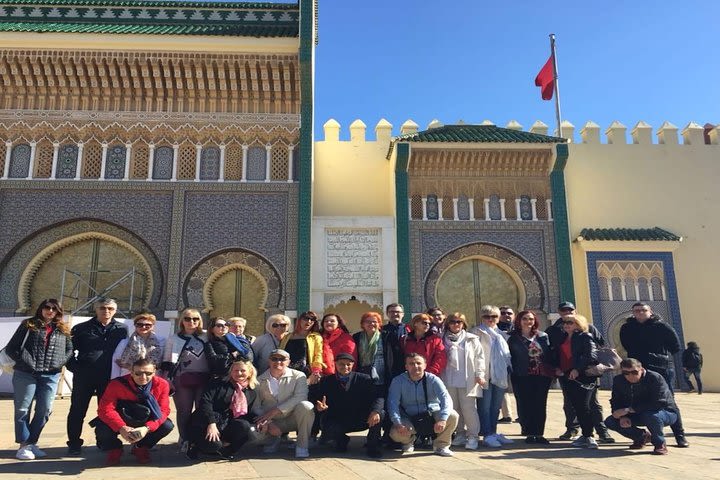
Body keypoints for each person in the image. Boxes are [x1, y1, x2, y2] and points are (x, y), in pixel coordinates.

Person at [6, 299, 73, 460]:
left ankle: (31, 442)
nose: (50, 311)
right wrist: (25, 362)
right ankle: (23, 445)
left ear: (58, 312)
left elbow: (69, 349)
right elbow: (11, 348)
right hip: (26, 374)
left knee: (45, 410)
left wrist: (59, 362)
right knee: (23, 409)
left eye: (54, 309)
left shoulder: (62, 329)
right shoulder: (28, 324)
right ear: (41, 309)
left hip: (50, 375)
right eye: (47, 308)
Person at [619, 302, 688, 447]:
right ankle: (644, 436)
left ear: (650, 311)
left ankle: (679, 436)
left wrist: (657, 356)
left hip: (661, 369)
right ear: (633, 313)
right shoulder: (627, 328)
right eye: (637, 311)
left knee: (669, 402)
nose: (640, 313)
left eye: (643, 310)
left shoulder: (662, 326)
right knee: (637, 401)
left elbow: (675, 346)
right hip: (637, 370)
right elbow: (626, 345)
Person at [66, 297, 127, 456]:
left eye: (110, 309)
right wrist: (75, 367)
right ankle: (74, 443)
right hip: (85, 376)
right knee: (78, 409)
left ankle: (104, 441)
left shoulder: (121, 329)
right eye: (102, 308)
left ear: (115, 310)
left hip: (109, 377)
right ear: (96, 309)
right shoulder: (82, 328)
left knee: (106, 410)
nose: (106, 311)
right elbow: (69, 350)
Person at [546, 301, 613, 443]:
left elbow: (597, 348)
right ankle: (573, 429)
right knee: (571, 402)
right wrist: (555, 368)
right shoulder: (556, 331)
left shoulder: (587, 331)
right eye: (563, 310)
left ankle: (600, 432)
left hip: (585, 374)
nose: (567, 313)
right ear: (559, 312)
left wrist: (578, 367)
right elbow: (552, 351)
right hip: (566, 374)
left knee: (591, 404)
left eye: (570, 310)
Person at [94, 358, 174, 465]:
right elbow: (105, 409)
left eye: (148, 373)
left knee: (167, 425)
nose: (143, 377)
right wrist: (121, 427)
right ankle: (114, 448)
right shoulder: (116, 384)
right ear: (131, 373)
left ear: (154, 372)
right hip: (122, 417)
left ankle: (140, 447)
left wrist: (147, 428)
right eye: (138, 373)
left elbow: (163, 410)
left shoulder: (162, 384)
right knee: (101, 427)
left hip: (145, 419)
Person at [310, 353, 384, 458]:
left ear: (353, 365)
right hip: (337, 420)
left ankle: (372, 446)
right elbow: (316, 398)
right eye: (341, 364)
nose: (345, 367)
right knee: (327, 424)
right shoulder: (326, 381)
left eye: (348, 364)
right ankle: (341, 440)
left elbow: (378, 397)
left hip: (360, 419)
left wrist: (375, 411)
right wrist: (318, 406)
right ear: (335, 364)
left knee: (380, 413)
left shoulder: (364, 379)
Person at [387, 353, 459, 457]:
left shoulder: (433, 379)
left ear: (425, 365)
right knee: (395, 433)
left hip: (432, 415)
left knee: (453, 415)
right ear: (406, 366)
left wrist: (443, 419)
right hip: (409, 417)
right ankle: (408, 441)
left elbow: (446, 399)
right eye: (411, 364)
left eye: (418, 363)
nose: (415, 366)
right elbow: (392, 404)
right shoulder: (398, 381)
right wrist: (398, 423)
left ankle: (441, 445)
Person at [186, 360, 258, 460]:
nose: (239, 373)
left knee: (246, 428)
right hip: (207, 422)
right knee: (214, 445)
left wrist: (261, 421)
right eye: (236, 370)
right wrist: (211, 423)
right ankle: (197, 447)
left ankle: (226, 450)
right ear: (231, 371)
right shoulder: (218, 383)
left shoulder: (251, 391)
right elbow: (205, 403)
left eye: (243, 371)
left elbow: (249, 413)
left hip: (228, 423)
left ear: (250, 372)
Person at [604, 358, 679, 455]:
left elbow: (658, 402)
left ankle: (660, 444)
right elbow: (615, 400)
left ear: (641, 369)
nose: (630, 376)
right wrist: (621, 415)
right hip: (636, 413)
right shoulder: (619, 380)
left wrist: (629, 409)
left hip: (664, 412)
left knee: (650, 415)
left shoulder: (655, 378)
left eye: (634, 372)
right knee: (611, 421)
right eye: (626, 373)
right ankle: (641, 437)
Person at [160, 307, 209, 450]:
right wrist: (167, 381)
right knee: (184, 411)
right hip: (182, 380)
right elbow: (167, 362)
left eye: (195, 319)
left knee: (202, 410)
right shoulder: (174, 338)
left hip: (204, 379)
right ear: (182, 321)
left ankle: (199, 438)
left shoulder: (206, 336)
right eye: (187, 318)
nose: (191, 322)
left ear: (200, 321)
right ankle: (184, 438)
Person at [253, 349, 315, 458]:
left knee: (306, 406)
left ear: (288, 362)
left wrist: (276, 410)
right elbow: (256, 406)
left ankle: (302, 445)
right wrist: (269, 423)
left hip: (293, 419)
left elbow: (301, 396)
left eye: (282, 359)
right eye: (274, 359)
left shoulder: (299, 376)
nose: (278, 362)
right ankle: (273, 440)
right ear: (269, 361)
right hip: (273, 422)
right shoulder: (259, 380)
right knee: (253, 434)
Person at [352, 311, 402, 447]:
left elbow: (396, 356)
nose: (371, 324)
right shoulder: (356, 337)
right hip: (364, 380)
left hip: (383, 378)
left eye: (374, 321)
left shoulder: (386, 337)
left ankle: (386, 437)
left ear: (379, 323)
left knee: (384, 407)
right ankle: (372, 437)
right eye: (368, 321)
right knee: (368, 406)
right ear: (362, 324)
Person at [469, 305, 513, 448]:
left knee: (495, 407)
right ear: (482, 317)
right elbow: (473, 355)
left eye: (494, 316)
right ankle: (486, 434)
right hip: (484, 375)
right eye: (487, 316)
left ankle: (493, 432)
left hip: (499, 374)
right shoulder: (476, 332)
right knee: (485, 406)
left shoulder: (501, 334)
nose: (490, 319)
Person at [507, 310, 554, 444]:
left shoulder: (542, 336)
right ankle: (528, 431)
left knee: (539, 404)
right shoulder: (513, 338)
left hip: (541, 376)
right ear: (519, 321)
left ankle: (539, 433)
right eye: (525, 319)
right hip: (521, 375)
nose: (528, 322)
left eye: (531, 319)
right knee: (524, 404)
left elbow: (549, 354)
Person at [440, 312, 484, 450]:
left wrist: (479, 374)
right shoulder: (441, 338)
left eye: (459, 322)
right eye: (452, 322)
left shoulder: (471, 339)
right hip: (448, 378)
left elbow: (479, 358)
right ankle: (460, 433)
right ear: (448, 324)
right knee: (453, 408)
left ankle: (473, 436)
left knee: (468, 409)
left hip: (467, 379)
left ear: (463, 324)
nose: (455, 324)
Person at [556, 314, 600, 449]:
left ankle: (589, 436)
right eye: (565, 322)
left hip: (582, 377)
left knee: (584, 406)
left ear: (578, 324)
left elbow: (591, 356)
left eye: (570, 322)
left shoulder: (585, 336)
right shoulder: (563, 338)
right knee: (576, 406)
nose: (566, 325)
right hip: (567, 376)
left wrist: (577, 369)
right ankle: (584, 435)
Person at [279, 311, 334, 382]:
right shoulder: (287, 336)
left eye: (312, 319)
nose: (309, 321)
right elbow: (281, 352)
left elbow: (318, 354)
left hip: (306, 372)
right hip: (287, 371)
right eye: (306, 318)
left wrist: (316, 370)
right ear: (300, 320)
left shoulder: (315, 337)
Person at [110, 312, 163, 379]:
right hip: (128, 377)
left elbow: (162, 363)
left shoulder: (161, 341)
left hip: (152, 378)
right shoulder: (124, 342)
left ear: (153, 326)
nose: (143, 327)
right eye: (140, 325)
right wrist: (115, 380)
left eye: (148, 325)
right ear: (135, 326)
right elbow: (116, 363)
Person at [497, 306, 515, 424]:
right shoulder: (494, 330)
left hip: (517, 363)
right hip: (501, 363)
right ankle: (507, 414)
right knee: (502, 389)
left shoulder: (518, 328)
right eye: (503, 313)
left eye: (509, 313)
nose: (506, 315)